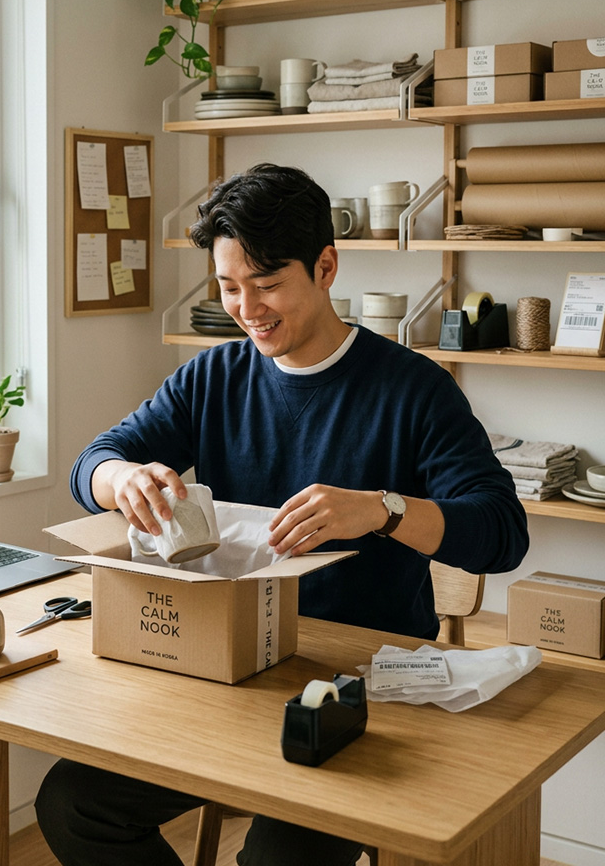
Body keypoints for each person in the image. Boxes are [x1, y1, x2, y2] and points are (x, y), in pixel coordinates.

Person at [36, 163, 529, 866]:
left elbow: (502, 534)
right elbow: (95, 462)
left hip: (360, 689)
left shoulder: (414, 390)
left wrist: (383, 510)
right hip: (233, 671)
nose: (247, 308)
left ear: (326, 266)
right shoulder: (213, 378)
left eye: (267, 285)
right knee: (73, 803)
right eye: (230, 287)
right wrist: (124, 479)